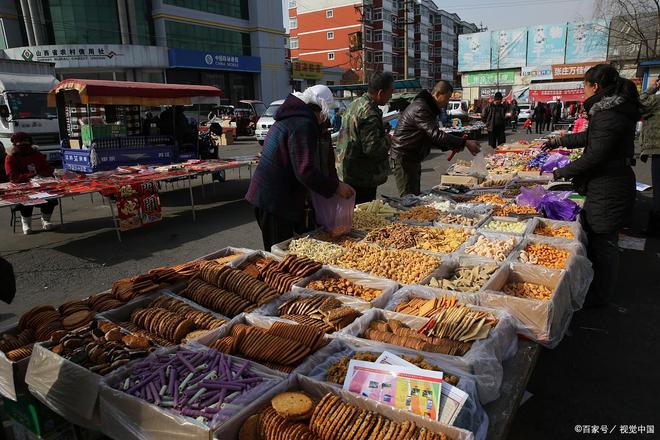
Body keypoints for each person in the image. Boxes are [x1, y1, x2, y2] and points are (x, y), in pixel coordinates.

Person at [542, 64, 642, 308]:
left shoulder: (610, 113)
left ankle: (600, 298)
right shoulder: (611, 110)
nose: (583, 92)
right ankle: (597, 291)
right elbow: (590, 137)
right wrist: (560, 140)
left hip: (609, 186)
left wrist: (561, 172)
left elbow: (595, 154)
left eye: (584, 86)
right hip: (608, 181)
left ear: (594, 86)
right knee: (600, 236)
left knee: (603, 240)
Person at [245, 85, 354, 250]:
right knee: (279, 256)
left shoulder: (293, 117)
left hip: (273, 198)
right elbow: (305, 171)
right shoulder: (303, 124)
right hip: (274, 201)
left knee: (283, 252)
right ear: (322, 111)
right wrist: (336, 187)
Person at [390, 80, 481, 196]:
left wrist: (455, 144)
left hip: (412, 157)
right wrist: (464, 143)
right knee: (408, 197)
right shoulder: (421, 108)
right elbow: (435, 135)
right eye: (447, 98)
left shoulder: (427, 108)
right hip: (404, 157)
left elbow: (432, 137)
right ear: (437, 94)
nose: (447, 102)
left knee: (414, 195)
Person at [336, 71, 394, 204]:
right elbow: (373, 149)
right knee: (362, 217)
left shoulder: (355, 104)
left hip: (347, 172)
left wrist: (380, 131)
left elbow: (358, 134)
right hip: (362, 178)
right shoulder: (369, 112)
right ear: (380, 93)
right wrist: (388, 139)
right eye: (390, 93)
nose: (390, 97)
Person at [4, 132, 58, 234]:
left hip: (40, 184)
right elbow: (13, 177)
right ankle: (26, 224)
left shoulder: (36, 154)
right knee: (27, 200)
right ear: (15, 144)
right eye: (20, 143)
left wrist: (40, 174)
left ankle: (46, 220)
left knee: (51, 198)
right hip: (21, 186)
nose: (24, 144)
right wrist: (30, 176)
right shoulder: (11, 157)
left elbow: (47, 168)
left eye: (26, 142)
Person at [639, 75, 660, 235]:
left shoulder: (656, 100)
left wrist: (652, 88)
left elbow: (638, 104)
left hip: (658, 149)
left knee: (658, 191)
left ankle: (655, 228)